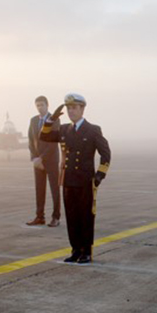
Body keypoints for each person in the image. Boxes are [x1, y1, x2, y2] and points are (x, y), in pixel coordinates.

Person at [40, 93, 111, 264]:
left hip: (86, 181)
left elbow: (106, 154)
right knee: (71, 217)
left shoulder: (93, 130)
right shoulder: (65, 129)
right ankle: (75, 250)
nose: (71, 111)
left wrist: (99, 176)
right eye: (68, 108)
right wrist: (51, 119)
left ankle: (86, 251)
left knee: (85, 217)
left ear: (82, 109)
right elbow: (44, 136)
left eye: (74, 108)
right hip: (68, 181)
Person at [26, 95, 62, 227]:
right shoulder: (33, 120)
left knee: (54, 189)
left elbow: (53, 143)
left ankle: (56, 217)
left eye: (42, 105)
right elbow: (30, 140)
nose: (40, 108)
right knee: (39, 189)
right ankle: (39, 217)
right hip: (37, 161)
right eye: (37, 105)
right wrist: (35, 158)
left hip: (51, 160)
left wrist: (42, 158)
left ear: (47, 105)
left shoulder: (55, 119)